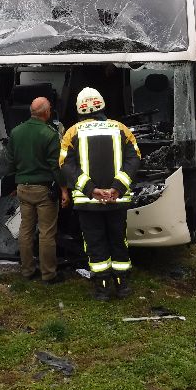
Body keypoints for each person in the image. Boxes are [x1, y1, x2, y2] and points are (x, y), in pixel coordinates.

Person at [59, 88, 141, 301]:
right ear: (102, 105)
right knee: (118, 241)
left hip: (88, 203)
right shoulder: (121, 129)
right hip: (117, 200)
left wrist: (91, 190)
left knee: (95, 243)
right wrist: (117, 188)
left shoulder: (72, 133)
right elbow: (134, 159)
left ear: (79, 109)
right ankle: (122, 286)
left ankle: (102, 288)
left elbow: (65, 165)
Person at [7, 97, 69, 284]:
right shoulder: (49, 134)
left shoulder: (16, 132)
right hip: (43, 190)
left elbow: (10, 161)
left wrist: (14, 184)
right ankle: (48, 274)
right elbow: (55, 167)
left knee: (25, 230)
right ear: (46, 112)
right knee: (46, 233)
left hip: (22, 189)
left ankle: (27, 271)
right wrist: (64, 190)